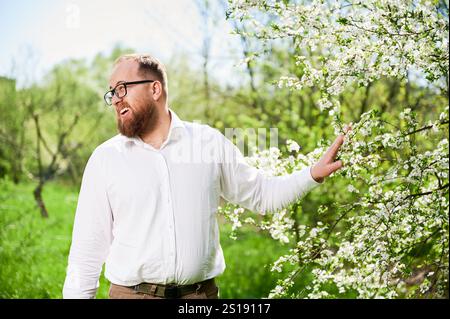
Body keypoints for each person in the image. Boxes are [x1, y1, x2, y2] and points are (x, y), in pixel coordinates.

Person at [62, 54, 350, 299]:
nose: (115, 99)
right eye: (112, 92)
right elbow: (87, 250)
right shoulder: (106, 158)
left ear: (154, 89)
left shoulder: (208, 144)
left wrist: (312, 174)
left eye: (123, 88)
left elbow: (262, 196)